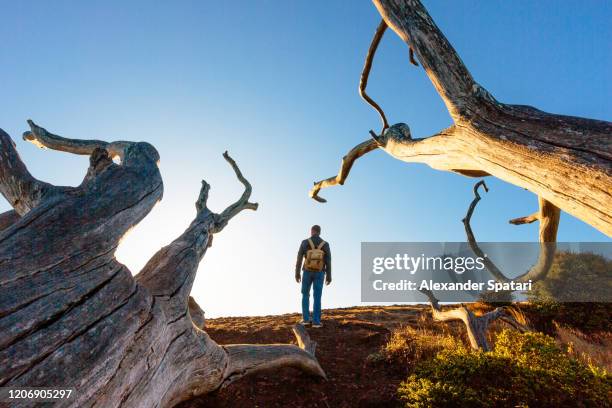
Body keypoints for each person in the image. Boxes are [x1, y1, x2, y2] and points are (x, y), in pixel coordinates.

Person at [295, 224, 331, 328]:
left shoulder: (305, 242)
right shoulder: (325, 244)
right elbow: (328, 260)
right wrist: (329, 276)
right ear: (319, 232)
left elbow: (299, 259)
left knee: (305, 294)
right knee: (317, 296)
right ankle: (316, 322)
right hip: (320, 272)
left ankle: (306, 320)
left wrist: (297, 273)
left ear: (311, 231)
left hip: (306, 271)